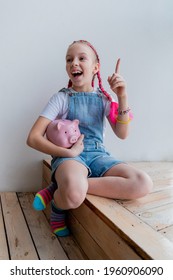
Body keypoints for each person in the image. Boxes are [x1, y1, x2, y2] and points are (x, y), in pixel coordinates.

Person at [27, 40, 153, 237]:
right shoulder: (61, 98)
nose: (74, 63)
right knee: (73, 196)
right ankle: (59, 206)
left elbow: (122, 133)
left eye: (81, 58)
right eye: (69, 59)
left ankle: (59, 188)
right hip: (70, 157)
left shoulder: (104, 99)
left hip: (98, 155)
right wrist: (67, 152)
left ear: (96, 68)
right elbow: (33, 138)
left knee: (143, 183)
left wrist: (122, 97)